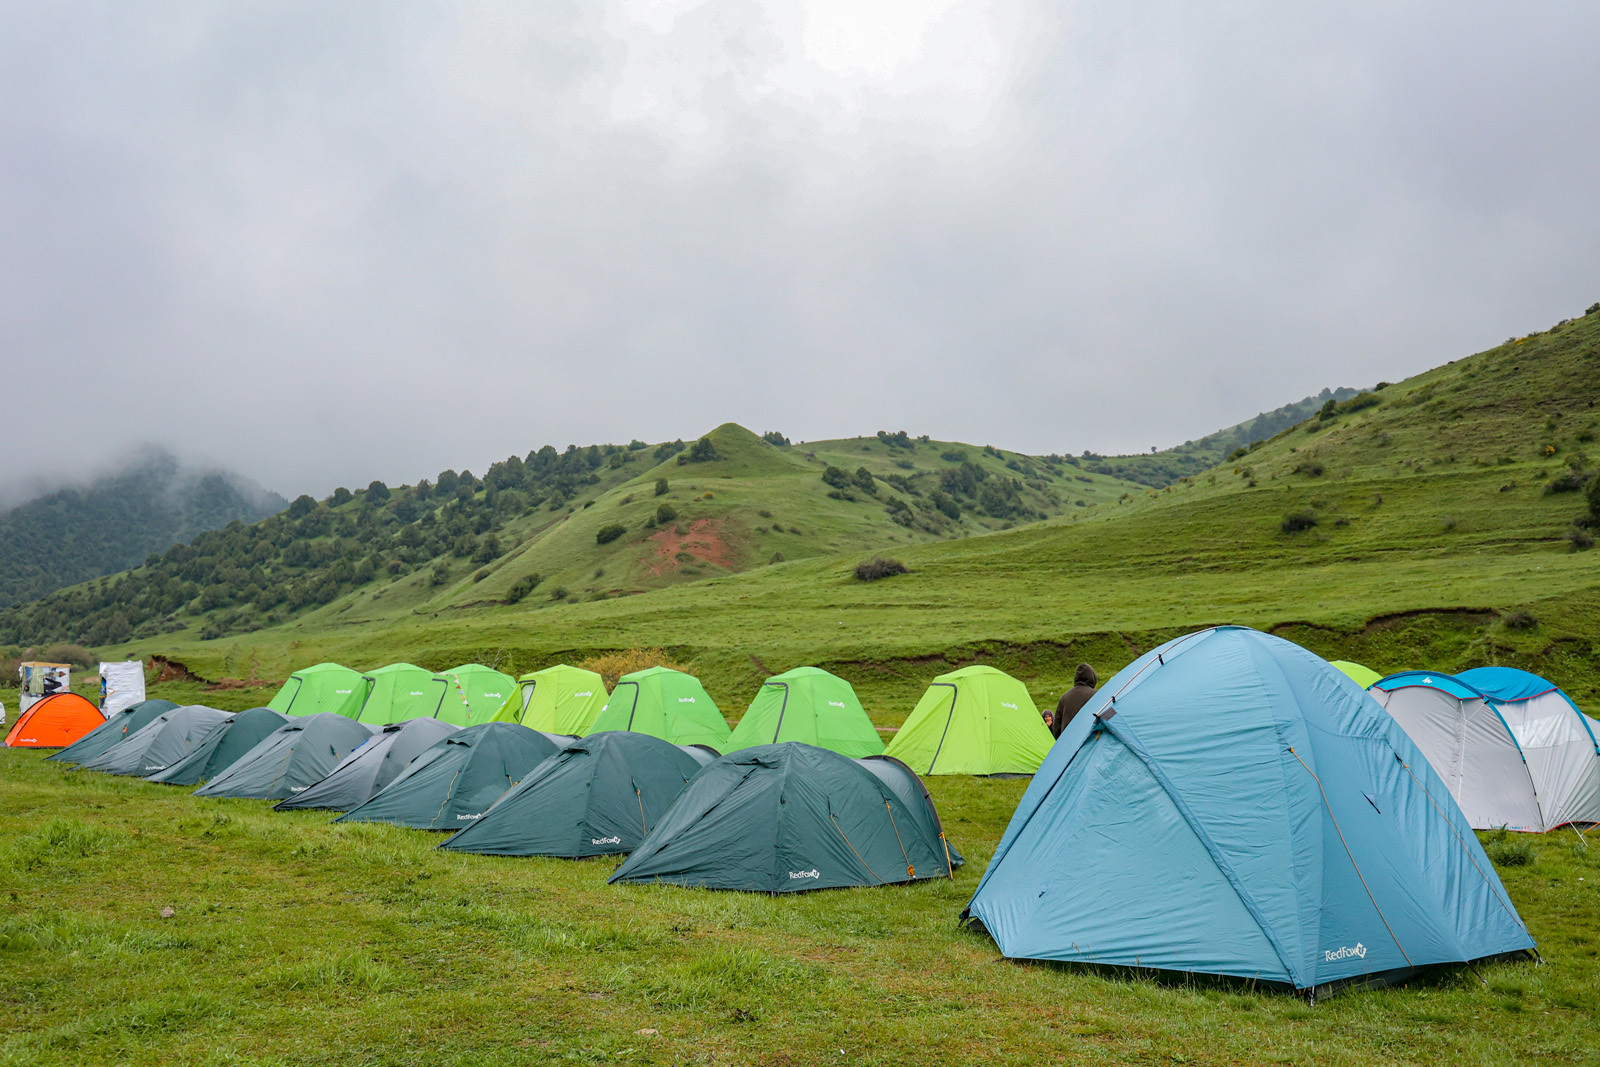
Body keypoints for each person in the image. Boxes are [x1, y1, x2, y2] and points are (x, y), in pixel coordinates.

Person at [1051, 664, 1098, 739]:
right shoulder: (1096, 695)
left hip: (1068, 744)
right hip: (1089, 743)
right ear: (1092, 678)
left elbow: (1057, 728)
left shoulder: (1064, 697)